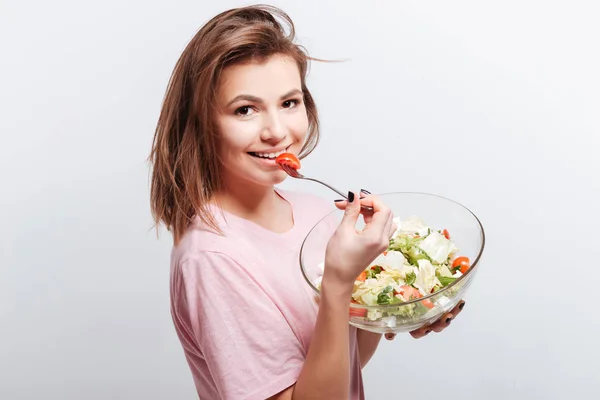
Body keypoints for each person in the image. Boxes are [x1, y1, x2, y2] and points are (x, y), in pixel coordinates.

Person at [148, 5, 465, 399]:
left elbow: (339, 367)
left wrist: (397, 308)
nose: (277, 131)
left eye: (289, 103)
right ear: (202, 124)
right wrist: (337, 281)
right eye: (245, 110)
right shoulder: (213, 258)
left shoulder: (316, 215)